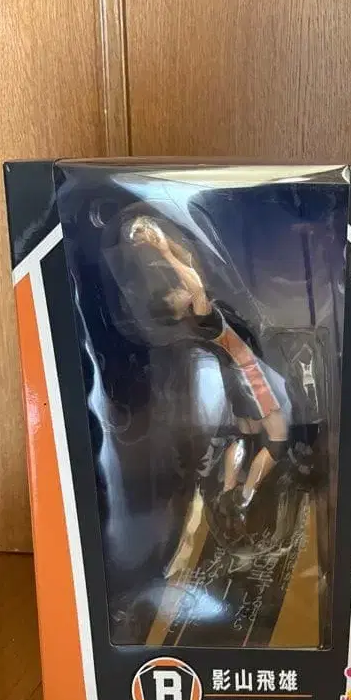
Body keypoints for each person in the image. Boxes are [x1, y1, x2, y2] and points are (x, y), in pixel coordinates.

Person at [129, 216, 293, 533]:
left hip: (237, 378)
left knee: (245, 435)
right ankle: (244, 498)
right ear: (177, 309)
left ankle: (227, 492)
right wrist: (164, 253)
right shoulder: (202, 315)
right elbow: (194, 283)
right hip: (249, 376)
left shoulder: (199, 314)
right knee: (277, 439)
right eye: (174, 294)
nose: (179, 288)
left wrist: (160, 241)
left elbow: (190, 262)